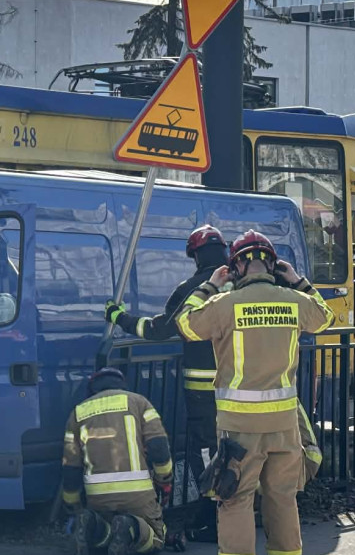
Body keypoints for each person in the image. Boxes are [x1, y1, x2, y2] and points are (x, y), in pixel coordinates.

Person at [174, 231, 335, 555]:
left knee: (235, 498)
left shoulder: (225, 304)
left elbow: (185, 324)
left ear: (236, 267)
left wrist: (210, 286)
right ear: (273, 265)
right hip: (284, 426)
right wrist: (298, 281)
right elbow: (326, 317)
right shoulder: (294, 301)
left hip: (240, 428)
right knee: (282, 498)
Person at [103, 224, 227, 541]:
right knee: (240, 449)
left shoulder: (194, 288)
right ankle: (243, 512)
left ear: (196, 255)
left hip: (203, 391)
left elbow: (158, 329)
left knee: (207, 452)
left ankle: (213, 520)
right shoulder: (242, 287)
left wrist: (118, 317)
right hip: (242, 390)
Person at [62, 368, 174, 555]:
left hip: (98, 498)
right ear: (121, 384)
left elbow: (71, 466)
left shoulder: (78, 413)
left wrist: (73, 506)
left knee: (105, 534)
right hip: (137, 494)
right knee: (155, 537)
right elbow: (158, 447)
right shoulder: (138, 402)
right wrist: (164, 480)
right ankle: (130, 526)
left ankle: (89, 522)